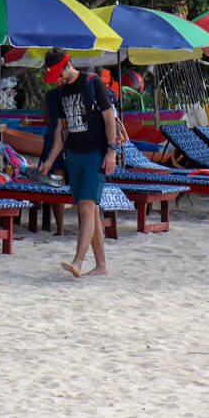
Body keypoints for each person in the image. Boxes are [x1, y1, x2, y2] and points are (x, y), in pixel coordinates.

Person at [35, 49, 119, 279]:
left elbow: (109, 118)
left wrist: (111, 150)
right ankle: (101, 265)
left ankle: (78, 262)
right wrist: (49, 161)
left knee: (85, 207)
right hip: (74, 155)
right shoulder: (62, 93)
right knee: (91, 210)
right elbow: (62, 130)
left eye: (58, 75)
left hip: (97, 154)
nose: (57, 81)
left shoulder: (93, 83)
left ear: (67, 65)